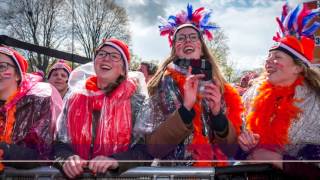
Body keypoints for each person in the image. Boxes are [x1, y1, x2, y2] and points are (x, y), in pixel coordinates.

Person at [134, 4, 243, 167]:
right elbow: (154, 148)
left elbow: (231, 149)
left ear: (201, 45)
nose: (187, 40)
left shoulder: (221, 87)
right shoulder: (161, 86)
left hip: (215, 173)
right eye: (181, 38)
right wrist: (185, 110)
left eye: (193, 37)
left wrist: (217, 114)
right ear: (174, 48)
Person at [237, 4, 320, 178]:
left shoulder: (315, 104)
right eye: (269, 57)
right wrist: (244, 145)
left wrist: (280, 160)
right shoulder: (251, 96)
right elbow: (236, 148)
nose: (268, 62)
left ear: (297, 68)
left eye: (277, 57)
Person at [53, 38, 150, 178]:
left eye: (114, 56)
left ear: (124, 70)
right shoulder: (74, 98)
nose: (106, 59)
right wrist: (66, 159)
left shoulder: (137, 102)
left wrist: (116, 161)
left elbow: (146, 151)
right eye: (102, 54)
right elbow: (59, 143)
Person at [0, 45, 62, 170]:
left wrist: (3, 151)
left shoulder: (38, 100)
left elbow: (43, 154)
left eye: (2, 67)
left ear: (18, 75)